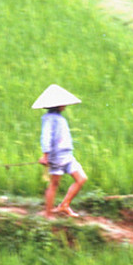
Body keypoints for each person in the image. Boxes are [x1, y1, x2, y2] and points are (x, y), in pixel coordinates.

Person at [32, 84, 88, 218]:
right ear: (57, 105)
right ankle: (48, 214)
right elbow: (46, 137)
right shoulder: (49, 119)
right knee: (54, 184)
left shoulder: (59, 118)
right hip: (56, 157)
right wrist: (45, 155)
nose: (65, 106)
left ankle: (64, 205)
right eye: (63, 104)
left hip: (68, 155)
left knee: (81, 179)